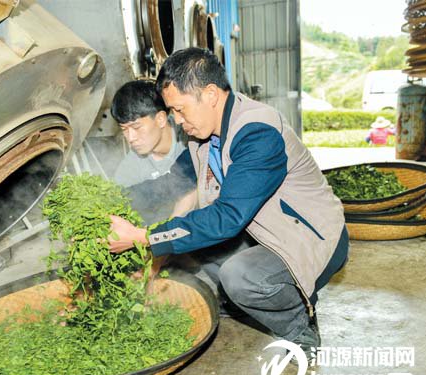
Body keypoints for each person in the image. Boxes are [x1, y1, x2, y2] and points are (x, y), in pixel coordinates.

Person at [107, 48, 349, 358]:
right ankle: (245, 301)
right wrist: (109, 200)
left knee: (239, 276)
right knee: (195, 242)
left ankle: (299, 326)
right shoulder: (203, 135)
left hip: (311, 237)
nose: (177, 121)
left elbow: (227, 217)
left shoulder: (257, 133)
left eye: (179, 109)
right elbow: (168, 184)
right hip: (263, 233)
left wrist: (144, 237)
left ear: (210, 94)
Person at [111, 80, 197, 222]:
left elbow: (193, 188)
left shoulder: (191, 137)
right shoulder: (129, 169)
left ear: (160, 119)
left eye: (136, 127)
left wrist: (170, 230)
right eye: (124, 129)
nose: (131, 138)